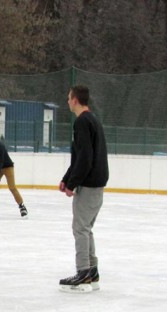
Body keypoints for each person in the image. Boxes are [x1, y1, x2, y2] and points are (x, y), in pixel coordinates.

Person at [59, 85, 109, 293]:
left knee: (80, 229)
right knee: (86, 229)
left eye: (69, 98)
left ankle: (83, 273)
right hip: (96, 183)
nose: (67, 101)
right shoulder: (93, 120)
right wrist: (67, 179)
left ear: (76, 100)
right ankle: (92, 272)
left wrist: (72, 184)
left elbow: (85, 158)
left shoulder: (82, 122)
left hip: (88, 185)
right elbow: (81, 156)